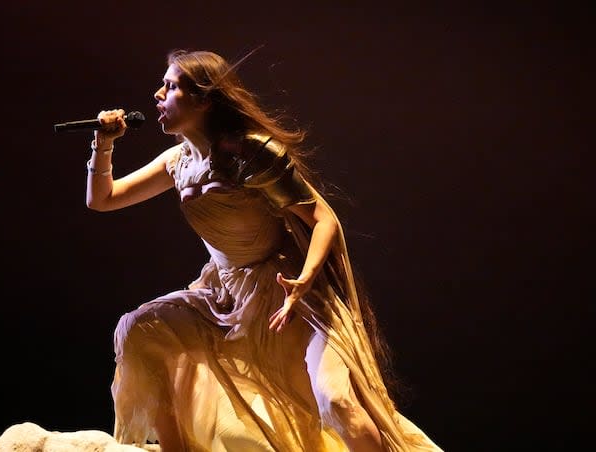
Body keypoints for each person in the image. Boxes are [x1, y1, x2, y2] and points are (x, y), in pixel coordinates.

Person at [84, 49, 442, 452]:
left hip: (288, 292)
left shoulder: (248, 152)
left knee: (336, 401)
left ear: (203, 99)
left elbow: (325, 220)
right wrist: (104, 143)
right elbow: (103, 199)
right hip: (225, 296)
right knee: (140, 331)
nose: (157, 95)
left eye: (170, 86)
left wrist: (304, 281)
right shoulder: (178, 163)